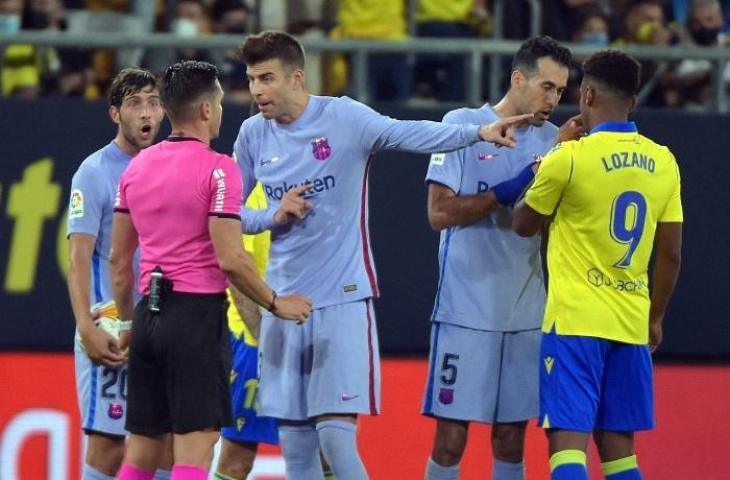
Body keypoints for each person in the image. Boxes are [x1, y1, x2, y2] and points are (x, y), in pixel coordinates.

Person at [234, 30, 534, 480]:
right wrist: (271, 216)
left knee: (335, 439)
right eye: (252, 79)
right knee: (296, 446)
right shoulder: (252, 134)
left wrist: (477, 133)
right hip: (282, 303)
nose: (256, 90)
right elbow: (228, 214)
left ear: (296, 78)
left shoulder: (344, 118)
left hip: (341, 299)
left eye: (266, 78)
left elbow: (408, 133)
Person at [110, 60, 311, 480]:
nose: (221, 111)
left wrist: (129, 323)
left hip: (149, 315)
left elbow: (118, 262)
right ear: (205, 110)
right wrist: (276, 303)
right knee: (195, 450)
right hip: (196, 318)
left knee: (143, 449)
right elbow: (231, 258)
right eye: (218, 102)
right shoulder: (220, 169)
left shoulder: (137, 167)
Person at [513, 50, 683, 480]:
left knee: (567, 446)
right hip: (630, 320)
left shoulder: (570, 157)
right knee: (620, 450)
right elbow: (670, 254)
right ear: (634, 102)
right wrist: (656, 316)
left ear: (586, 95)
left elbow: (522, 224)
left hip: (574, 322)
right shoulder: (664, 161)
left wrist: (552, 156)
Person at [420, 36, 574, 480]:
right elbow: (440, 214)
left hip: (526, 313)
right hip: (464, 309)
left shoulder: (555, 141)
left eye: (561, 91)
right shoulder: (463, 125)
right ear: (517, 79)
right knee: (450, 441)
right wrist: (517, 184)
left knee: (510, 438)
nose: (553, 99)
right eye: (546, 86)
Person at [67, 68, 170, 480]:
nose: (146, 113)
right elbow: (77, 260)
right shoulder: (93, 172)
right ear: (115, 114)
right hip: (110, 327)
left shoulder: (170, 165)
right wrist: (86, 329)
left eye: (153, 102)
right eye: (134, 104)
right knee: (109, 450)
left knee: (164, 446)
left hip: (160, 327)